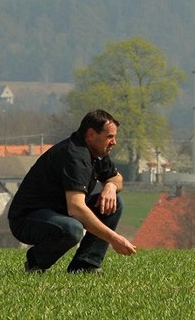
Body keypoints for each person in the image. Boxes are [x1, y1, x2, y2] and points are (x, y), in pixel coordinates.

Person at [8, 109, 136, 274]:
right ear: (91, 134)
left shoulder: (97, 153)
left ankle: (85, 265)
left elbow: (117, 179)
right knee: (72, 228)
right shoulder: (75, 156)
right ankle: (36, 263)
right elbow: (76, 208)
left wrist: (110, 186)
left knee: (115, 203)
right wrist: (114, 239)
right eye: (109, 137)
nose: (114, 142)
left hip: (60, 213)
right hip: (28, 219)